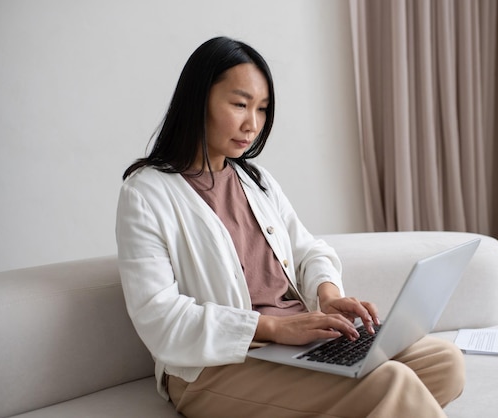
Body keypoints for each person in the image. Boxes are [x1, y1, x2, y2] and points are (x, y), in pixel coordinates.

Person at [116, 36, 464, 417]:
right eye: (239, 104)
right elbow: (159, 317)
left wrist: (328, 295)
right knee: (392, 383)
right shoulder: (146, 193)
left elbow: (308, 250)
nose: (252, 124)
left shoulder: (256, 180)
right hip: (214, 368)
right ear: (198, 99)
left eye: (262, 109)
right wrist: (273, 329)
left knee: (444, 361)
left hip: (298, 344)